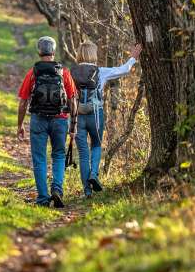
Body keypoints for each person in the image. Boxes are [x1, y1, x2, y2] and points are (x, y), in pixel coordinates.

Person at [72, 41, 142, 198]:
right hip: (96, 114)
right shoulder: (100, 71)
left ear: (80, 54)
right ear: (93, 55)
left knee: (83, 153)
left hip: (78, 115)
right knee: (96, 145)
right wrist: (133, 58)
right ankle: (94, 174)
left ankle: (87, 191)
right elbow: (123, 70)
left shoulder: (72, 72)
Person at [16, 36, 78, 208]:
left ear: (39, 51)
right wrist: (73, 125)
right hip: (60, 120)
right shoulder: (64, 72)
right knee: (58, 155)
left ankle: (43, 198)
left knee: (39, 158)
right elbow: (73, 100)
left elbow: (23, 102)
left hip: (38, 120)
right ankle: (57, 189)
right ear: (53, 51)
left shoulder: (33, 72)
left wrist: (20, 125)